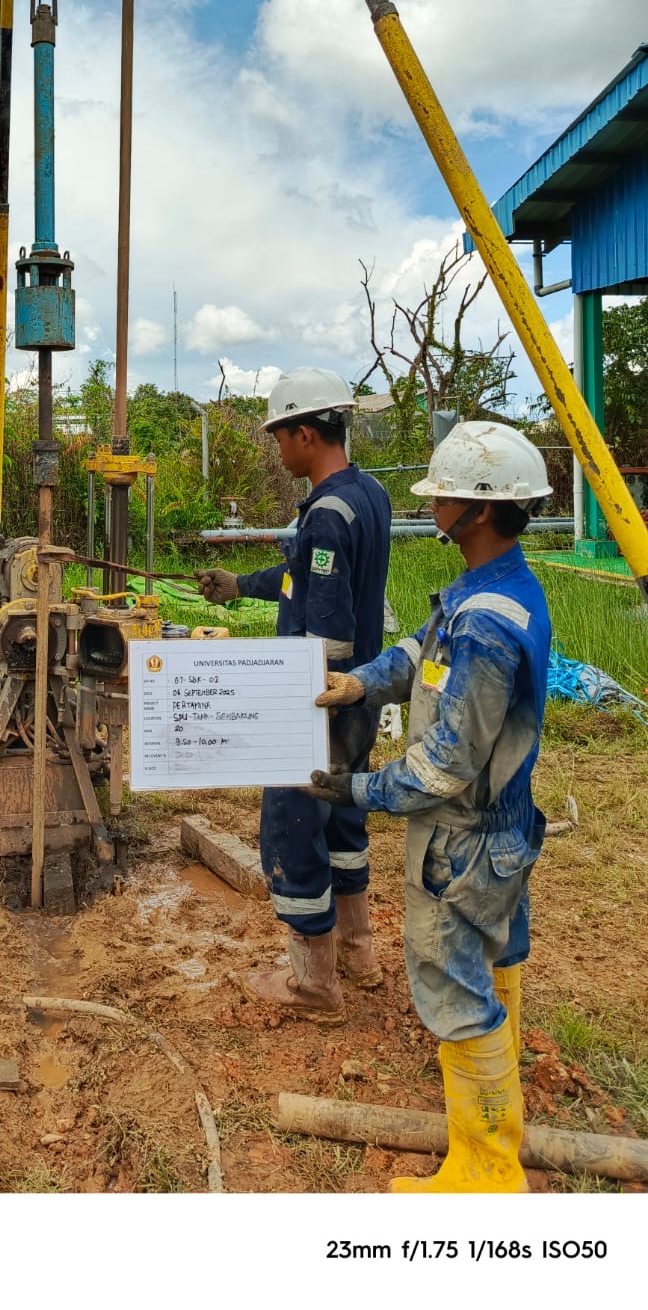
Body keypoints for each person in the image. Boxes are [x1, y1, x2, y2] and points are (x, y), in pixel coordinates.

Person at [310, 420, 551, 1193]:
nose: (434, 502)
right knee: (492, 966)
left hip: (464, 841)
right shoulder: (492, 590)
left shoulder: (485, 626)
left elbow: (446, 764)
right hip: (501, 829)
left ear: (476, 512)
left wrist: (354, 789)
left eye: (445, 493)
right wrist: (360, 683)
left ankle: (486, 1175)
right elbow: (417, 652)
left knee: (456, 991)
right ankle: (489, 1145)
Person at [196, 367, 391, 1024]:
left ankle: (314, 986)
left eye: (279, 436)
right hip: (361, 697)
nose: (276, 451)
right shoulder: (365, 495)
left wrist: (286, 708)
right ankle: (359, 956)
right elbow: (301, 575)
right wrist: (240, 584)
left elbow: (327, 639)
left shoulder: (328, 515)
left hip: (319, 702)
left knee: (290, 826)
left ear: (306, 433)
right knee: (344, 823)